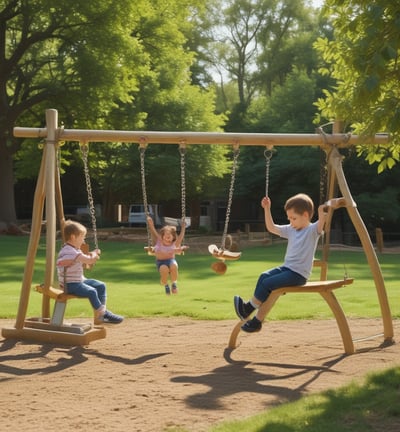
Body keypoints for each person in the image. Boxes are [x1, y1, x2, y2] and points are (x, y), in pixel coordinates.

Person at [234, 193, 327, 333]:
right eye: (289, 218)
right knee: (264, 276)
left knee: (268, 284)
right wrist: (267, 208)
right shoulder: (291, 229)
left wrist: (322, 212)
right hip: (287, 269)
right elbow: (272, 228)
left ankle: (249, 308)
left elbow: (322, 222)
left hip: (298, 275)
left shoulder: (312, 230)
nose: (290, 221)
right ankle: (254, 319)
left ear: (306, 215)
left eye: (293, 218)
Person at [57, 220, 124, 325]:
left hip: (78, 281)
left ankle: (101, 315)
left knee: (101, 285)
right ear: (73, 237)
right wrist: (95, 255)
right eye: (82, 237)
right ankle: (103, 313)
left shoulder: (74, 249)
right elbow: (89, 260)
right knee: (91, 291)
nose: (83, 241)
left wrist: (92, 254)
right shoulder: (70, 251)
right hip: (70, 285)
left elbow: (85, 258)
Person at [147, 216, 187, 295]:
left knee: (174, 266)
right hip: (161, 262)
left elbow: (181, 237)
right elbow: (153, 231)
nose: (167, 237)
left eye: (169, 236)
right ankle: (165, 285)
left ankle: (174, 284)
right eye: (165, 235)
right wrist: (150, 224)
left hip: (170, 260)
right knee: (164, 269)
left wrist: (183, 227)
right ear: (162, 236)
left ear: (173, 237)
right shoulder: (159, 241)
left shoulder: (174, 244)